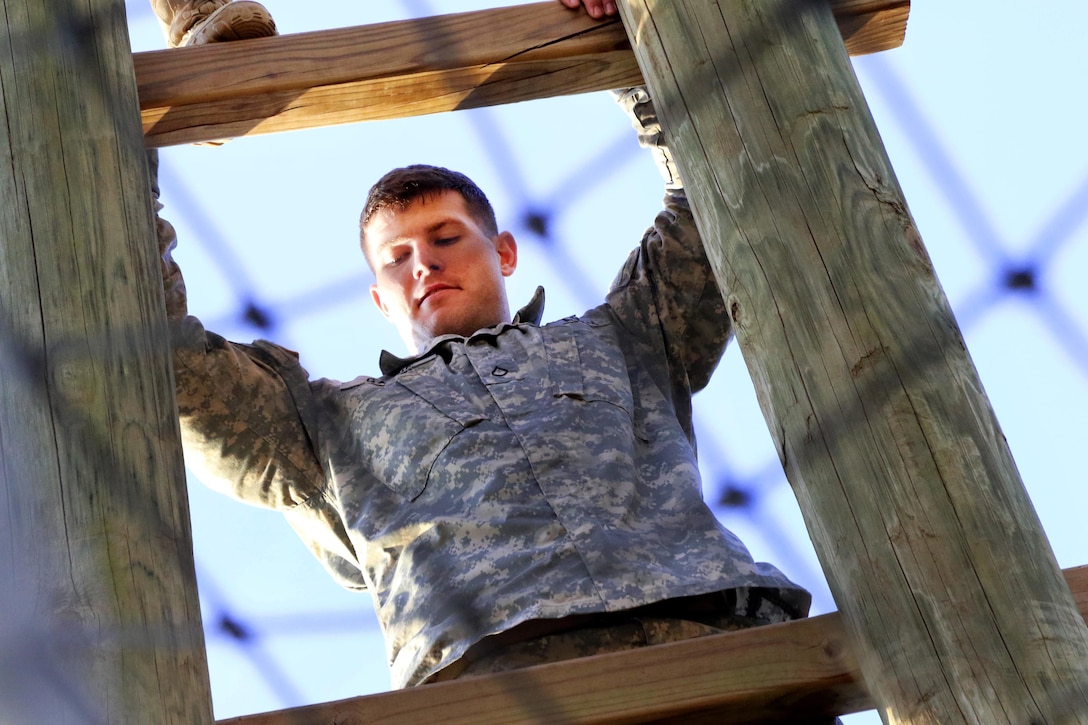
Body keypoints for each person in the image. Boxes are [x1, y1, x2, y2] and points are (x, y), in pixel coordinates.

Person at [152, 0, 815, 695]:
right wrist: (138, 130)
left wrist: (623, 33)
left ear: (503, 251)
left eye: (445, 238)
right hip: (496, 688)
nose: (423, 265)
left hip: (715, 652)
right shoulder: (325, 427)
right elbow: (165, 353)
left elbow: (714, 188)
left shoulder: (626, 337)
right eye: (397, 257)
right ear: (380, 298)